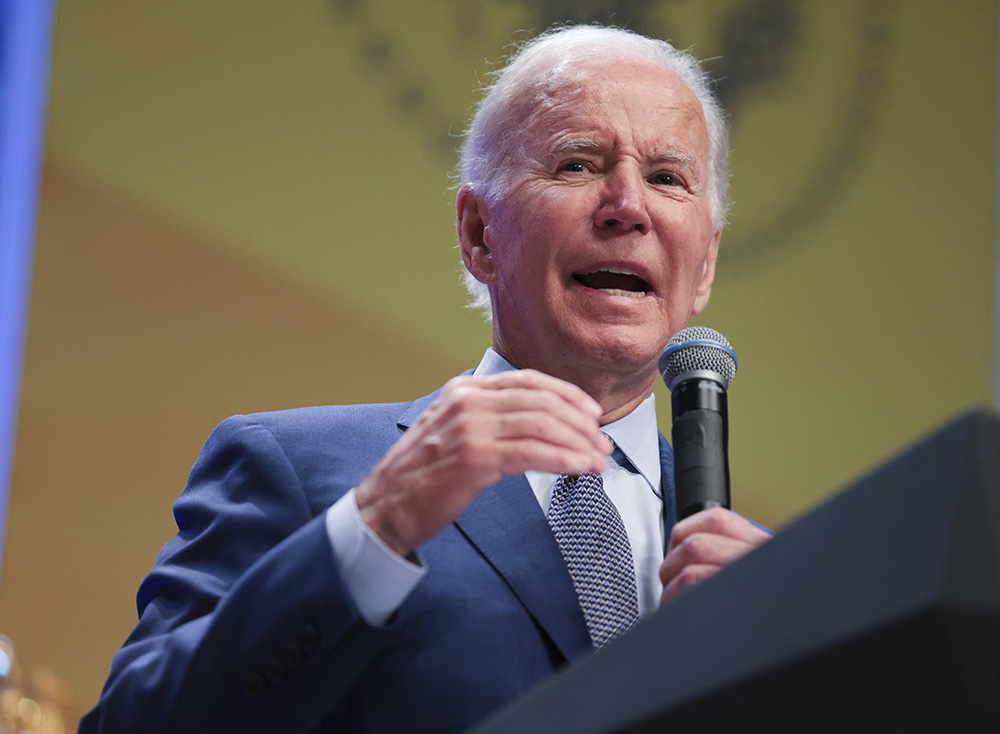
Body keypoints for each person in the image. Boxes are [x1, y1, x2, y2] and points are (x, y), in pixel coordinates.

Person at [78, 24, 771, 734]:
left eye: (666, 178)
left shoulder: (769, 582)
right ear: (478, 235)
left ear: (706, 264)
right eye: (577, 165)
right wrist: (377, 525)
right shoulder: (308, 474)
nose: (628, 206)